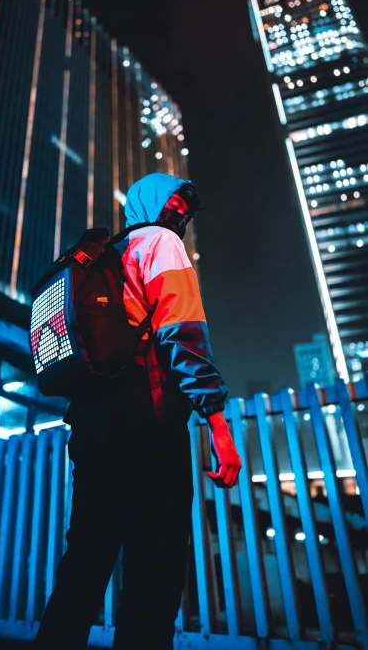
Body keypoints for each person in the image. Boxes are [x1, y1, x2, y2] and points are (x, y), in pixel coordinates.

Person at [35, 172, 242, 650]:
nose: (181, 213)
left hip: (91, 429)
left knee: (83, 568)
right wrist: (216, 422)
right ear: (149, 200)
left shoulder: (108, 255)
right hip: (147, 425)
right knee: (155, 572)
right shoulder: (160, 244)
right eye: (175, 201)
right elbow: (183, 336)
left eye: (185, 209)